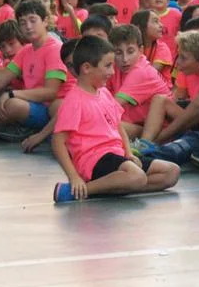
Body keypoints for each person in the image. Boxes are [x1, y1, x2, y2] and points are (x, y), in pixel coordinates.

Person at [50, 35, 179, 202]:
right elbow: (58, 141)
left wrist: (128, 153)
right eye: (108, 66)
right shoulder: (74, 100)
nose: (112, 71)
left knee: (171, 172)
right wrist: (74, 177)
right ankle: (80, 190)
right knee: (137, 177)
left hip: (117, 155)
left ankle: (115, 186)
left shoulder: (103, 92)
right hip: (95, 160)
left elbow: (118, 126)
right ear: (87, 68)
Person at [0, 0, 66, 137]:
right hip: (32, 103)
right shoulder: (26, 50)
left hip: (52, 109)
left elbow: (51, 92)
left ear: (45, 21)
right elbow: (3, 78)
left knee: (11, 104)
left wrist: (12, 94)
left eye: (33, 20)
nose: (28, 26)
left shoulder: (55, 48)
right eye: (22, 23)